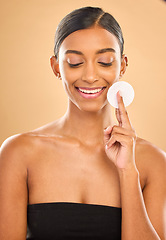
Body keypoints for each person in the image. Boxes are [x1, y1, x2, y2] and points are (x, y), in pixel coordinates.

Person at [0, 6, 165, 240]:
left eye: (105, 62)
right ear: (57, 67)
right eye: (75, 62)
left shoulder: (154, 162)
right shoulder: (18, 153)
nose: (89, 76)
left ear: (123, 65)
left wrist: (128, 172)